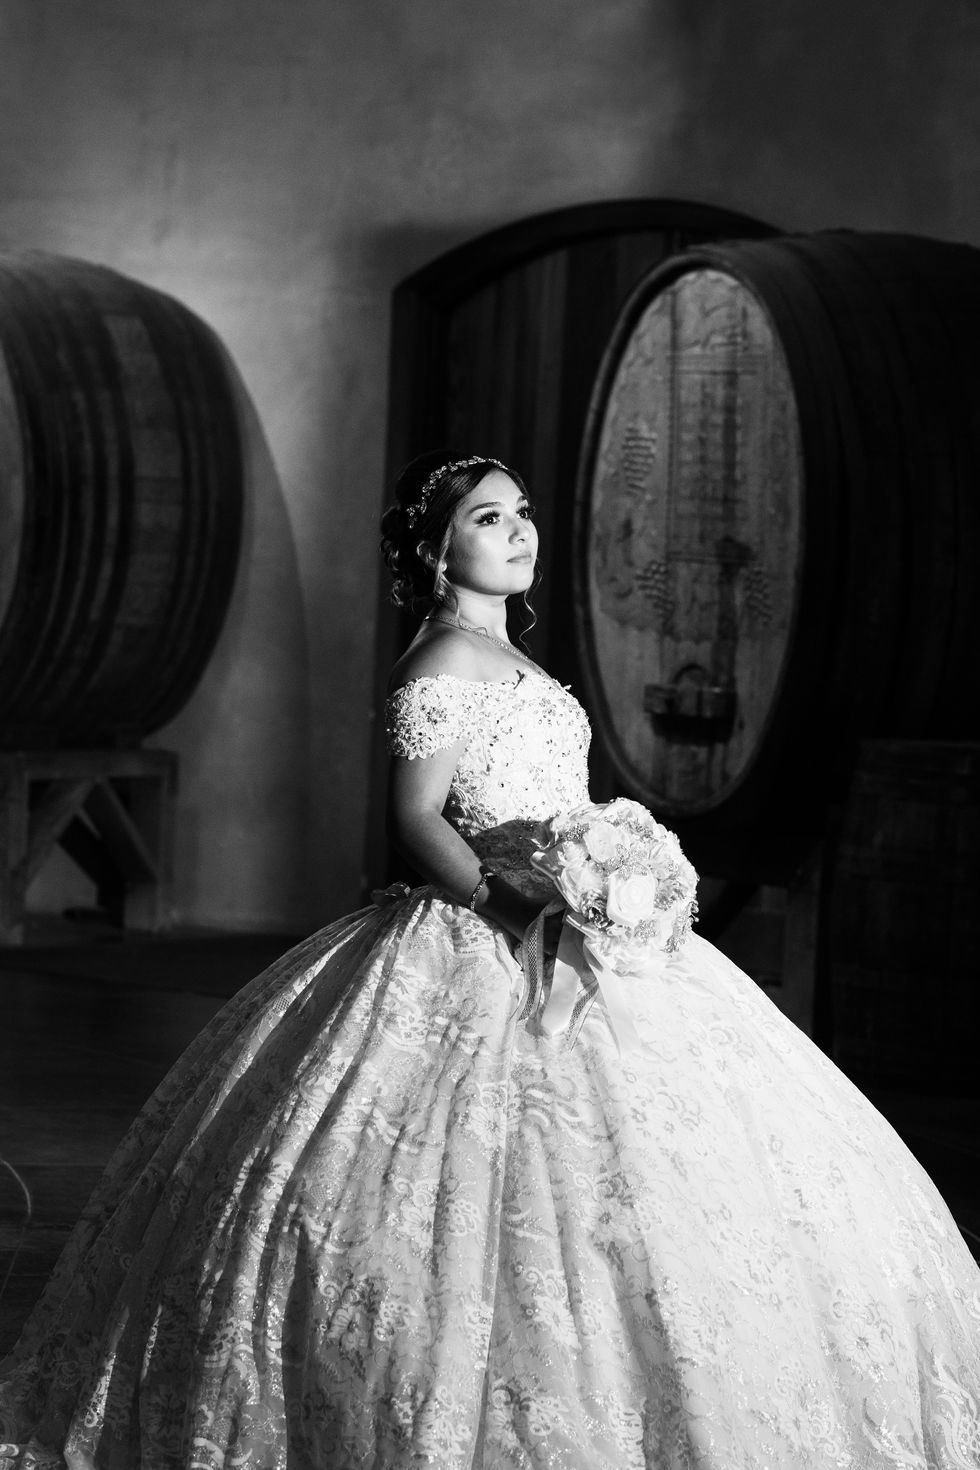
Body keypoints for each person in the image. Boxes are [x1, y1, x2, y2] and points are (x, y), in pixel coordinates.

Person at [1, 450, 979, 1470]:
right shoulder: (441, 662)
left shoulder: (508, 656)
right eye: (486, 518)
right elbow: (418, 819)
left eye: (521, 512)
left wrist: (615, 875)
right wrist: (518, 905)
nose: (518, 532)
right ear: (436, 551)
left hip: (571, 914)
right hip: (488, 926)